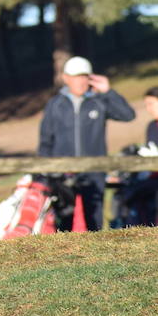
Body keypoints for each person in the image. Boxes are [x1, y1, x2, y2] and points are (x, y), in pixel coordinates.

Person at [36, 55, 134, 231]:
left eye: (84, 76)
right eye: (76, 77)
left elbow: (127, 115)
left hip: (94, 171)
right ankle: (63, 256)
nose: (80, 81)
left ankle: (96, 257)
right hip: (62, 173)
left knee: (94, 221)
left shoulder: (99, 101)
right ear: (66, 78)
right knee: (64, 220)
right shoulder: (55, 105)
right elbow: (46, 140)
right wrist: (46, 170)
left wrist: (108, 91)